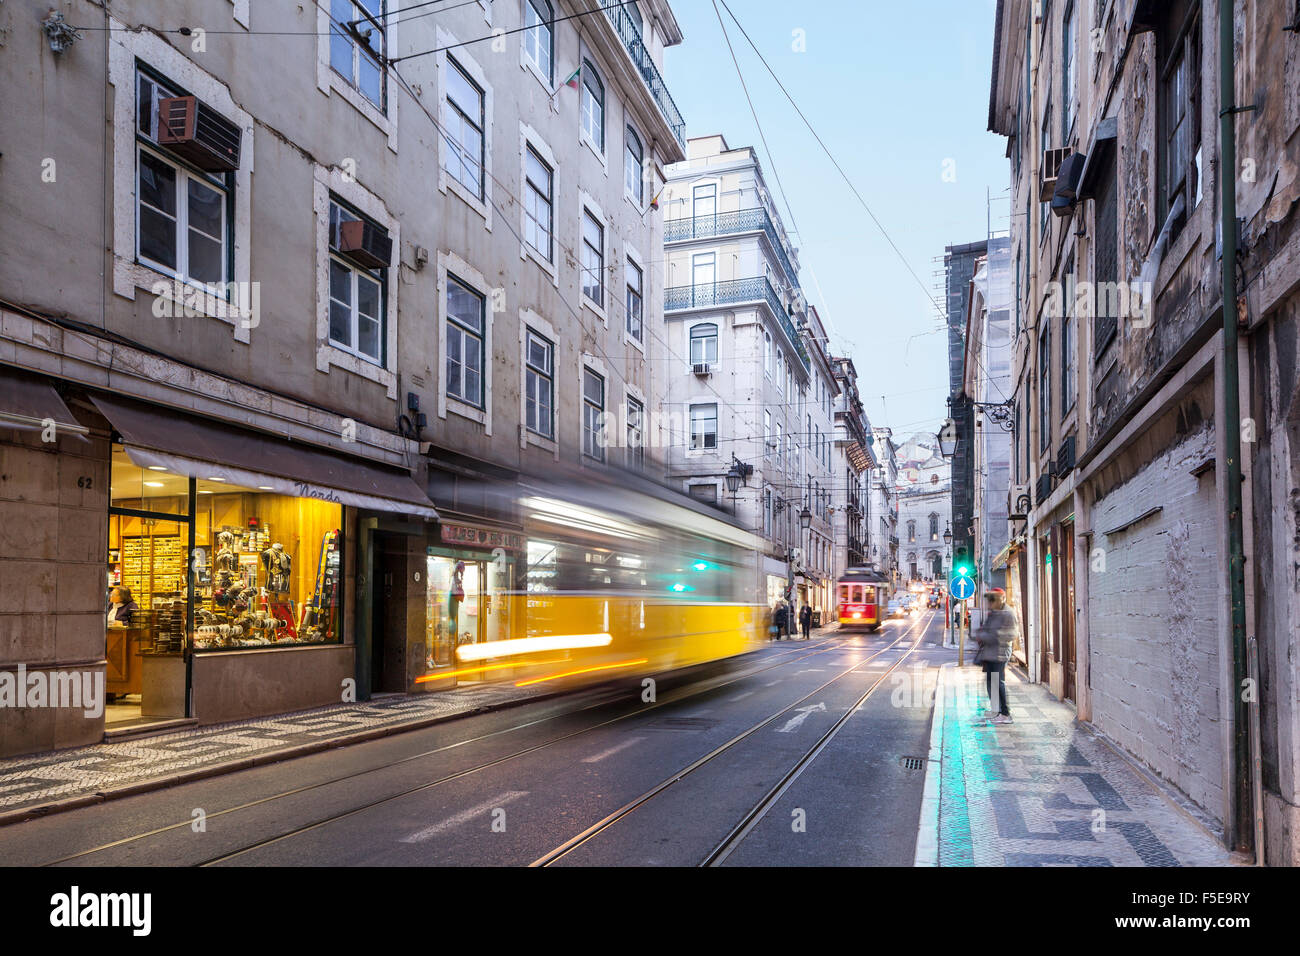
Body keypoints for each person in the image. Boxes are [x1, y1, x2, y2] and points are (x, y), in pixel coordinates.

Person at [973, 587, 1015, 723]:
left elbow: (1011, 634)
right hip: (990, 654)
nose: (989, 604)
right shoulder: (994, 613)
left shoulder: (1008, 613)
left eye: (991, 601)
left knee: (998, 683)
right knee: (991, 683)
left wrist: (991, 636)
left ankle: (1005, 714)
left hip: (999, 654)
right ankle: (996, 711)